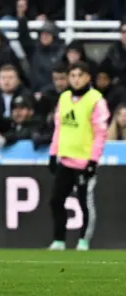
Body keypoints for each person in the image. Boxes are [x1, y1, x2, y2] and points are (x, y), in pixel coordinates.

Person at [48, 62, 109, 251]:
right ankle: (59, 240)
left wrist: (93, 160)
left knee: (85, 204)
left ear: (88, 77)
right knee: (56, 201)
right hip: (65, 159)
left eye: (79, 75)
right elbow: (59, 127)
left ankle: (83, 241)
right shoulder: (64, 97)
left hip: (84, 162)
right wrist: (53, 153)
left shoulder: (96, 100)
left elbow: (101, 133)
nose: (75, 79)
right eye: (72, 75)